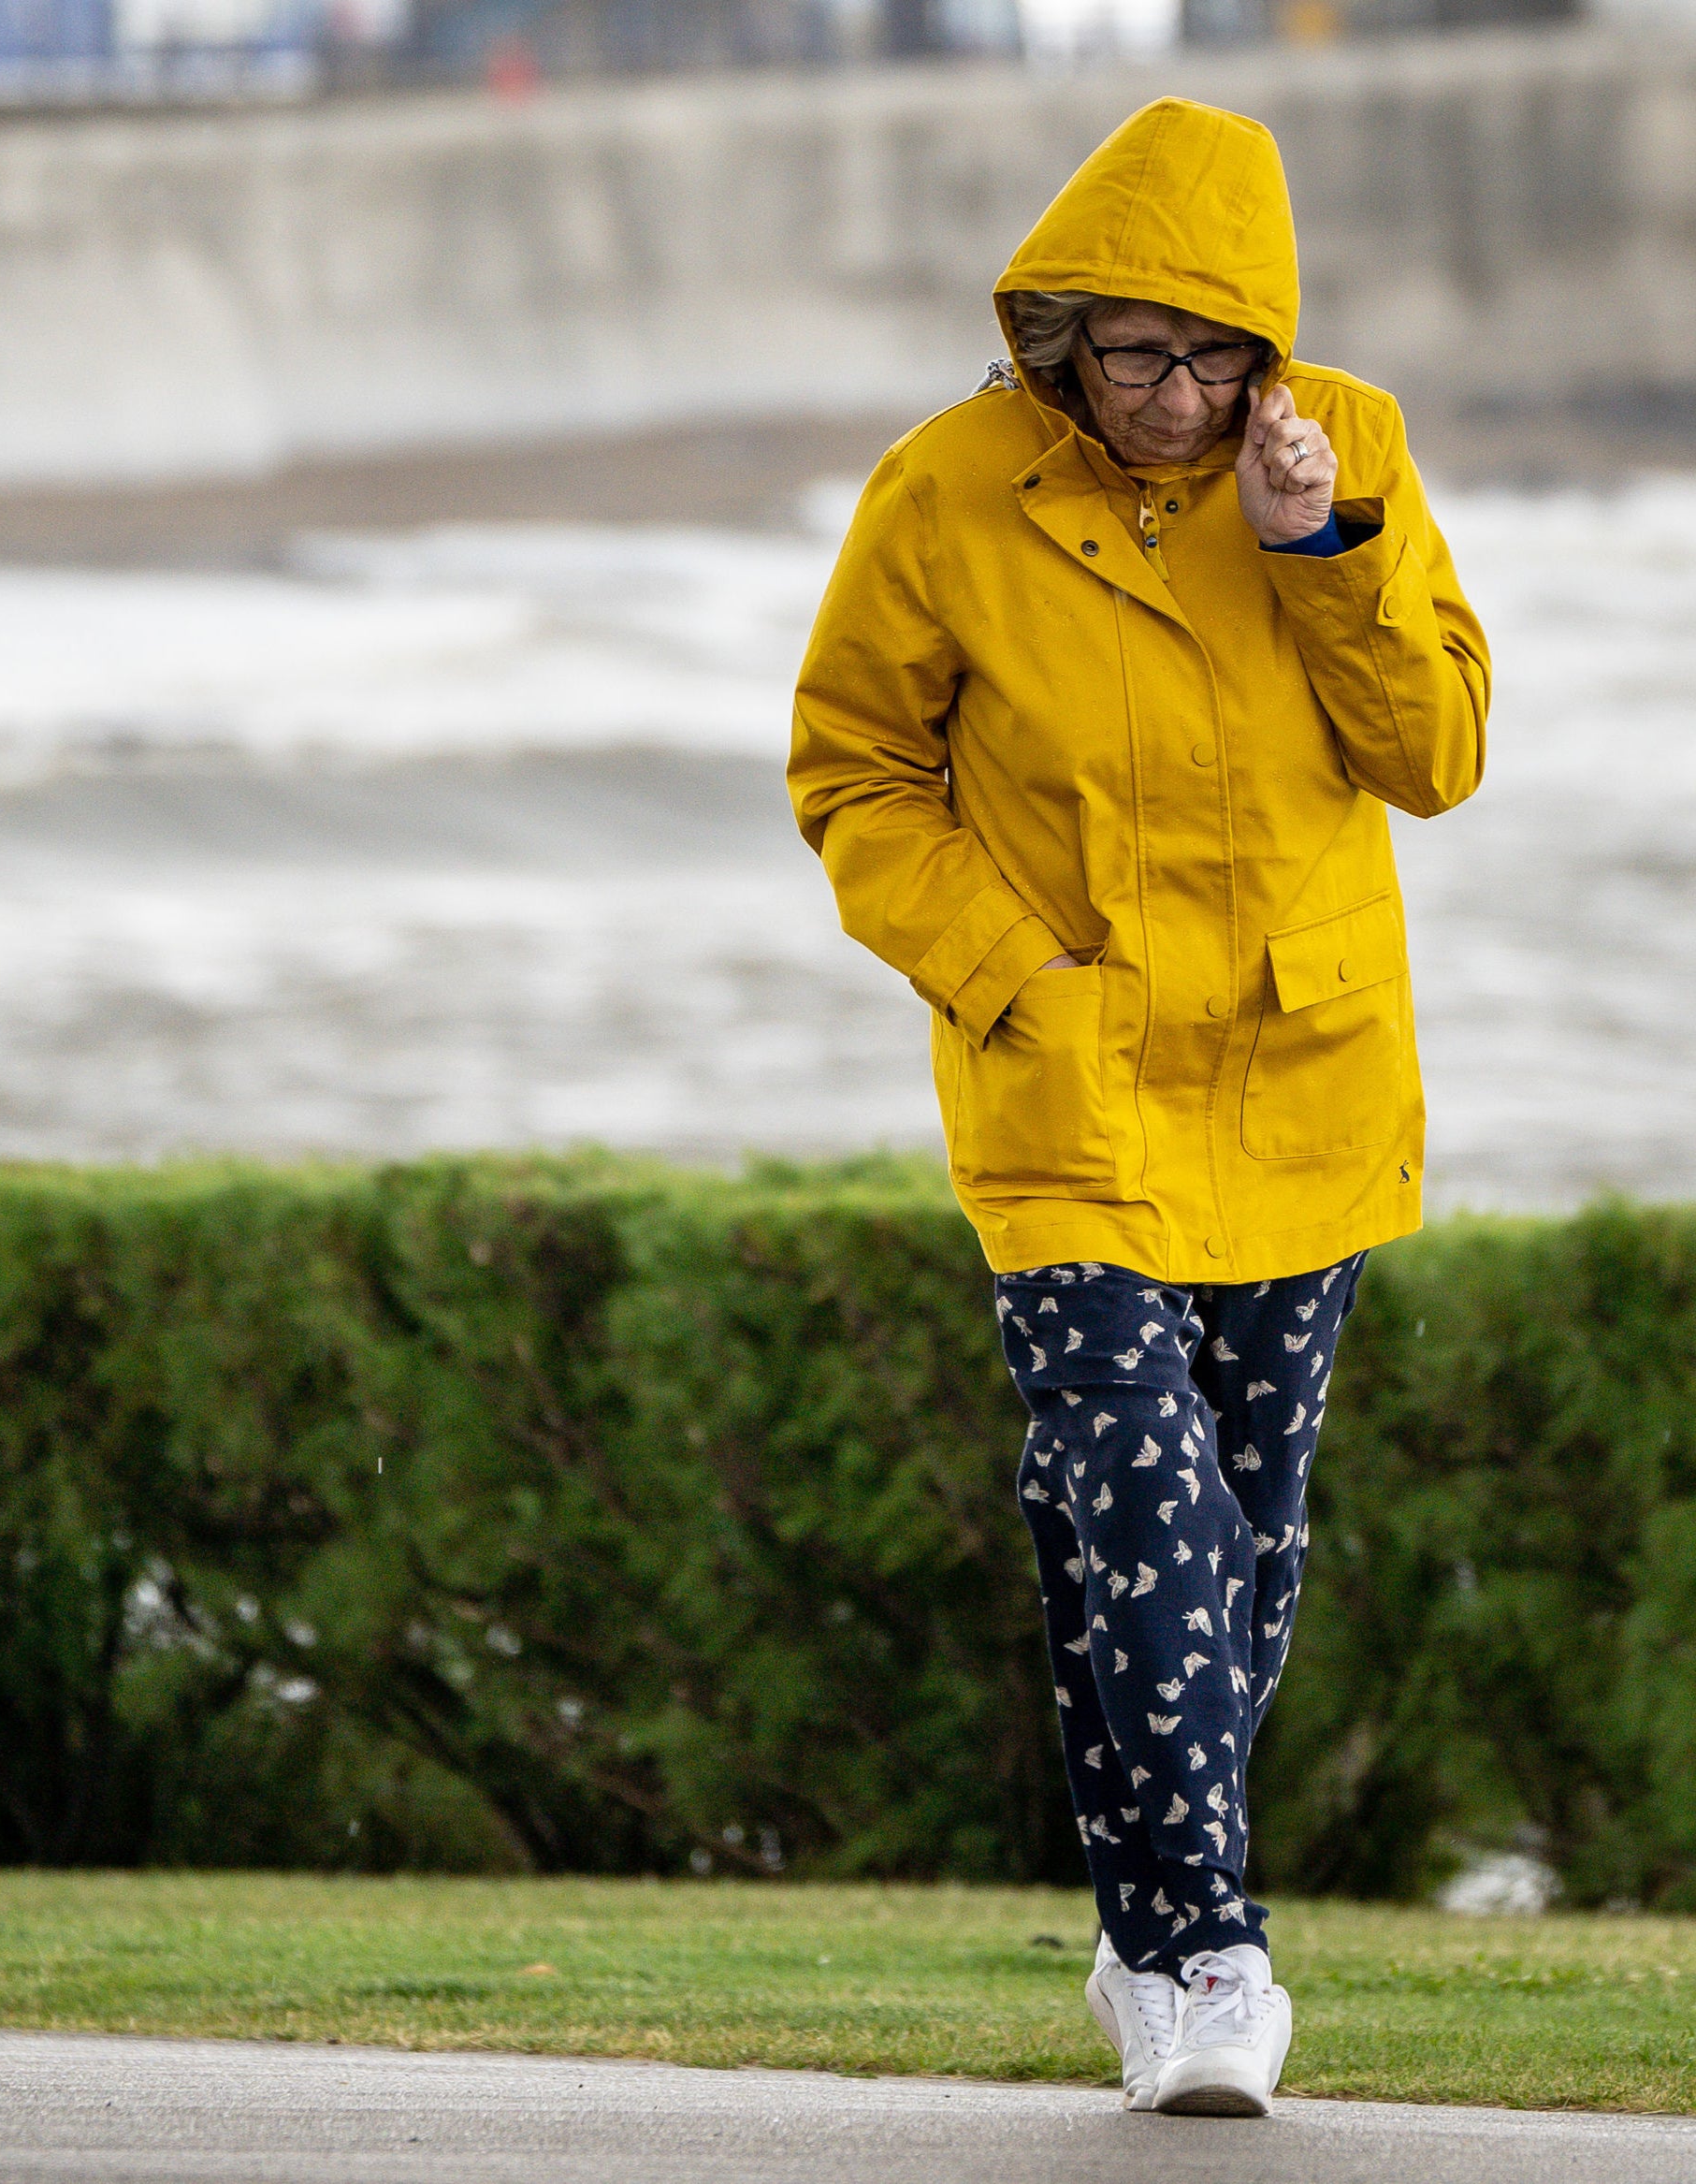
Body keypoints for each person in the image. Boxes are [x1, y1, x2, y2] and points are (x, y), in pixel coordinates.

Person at [789, 98, 1486, 2118]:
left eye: (1212, 357)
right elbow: (849, 770)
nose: (1177, 398)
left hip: (1302, 1071)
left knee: (1236, 1540)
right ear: (1055, 340)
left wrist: (1317, 550)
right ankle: (1204, 1953)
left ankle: (1133, 1927)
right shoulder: (943, 490)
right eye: (1133, 356)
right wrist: (1010, 979)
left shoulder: (1334, 450)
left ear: (1264, 344)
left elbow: (1432, 753)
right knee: (1137, 1497)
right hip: (1062, 1085)